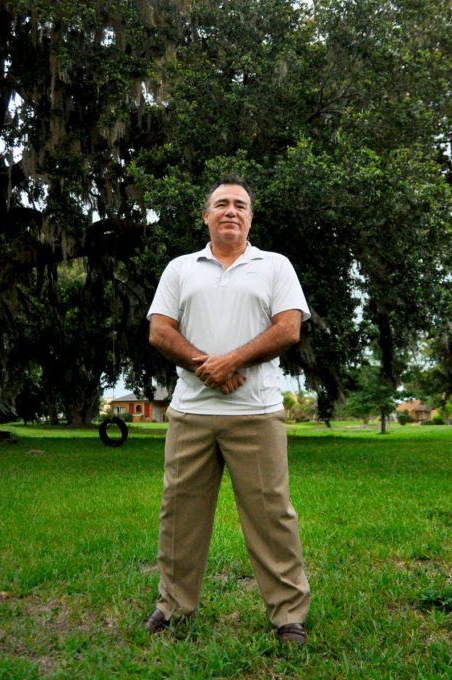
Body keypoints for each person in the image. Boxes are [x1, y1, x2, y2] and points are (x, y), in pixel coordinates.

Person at [141, 174, 312, 645]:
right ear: (206, 215)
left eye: (240, 205)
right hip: (191, 412)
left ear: (250, 217)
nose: (230, 211)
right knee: (179, 512)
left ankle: (288, 615)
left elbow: (288, 329)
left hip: (255, 413)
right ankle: (173, 606)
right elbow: (160, 331)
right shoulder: (180, 268)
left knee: (271, 515)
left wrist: (232, 361)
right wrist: (207, 366)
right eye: (221, 204)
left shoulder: (274, 266)